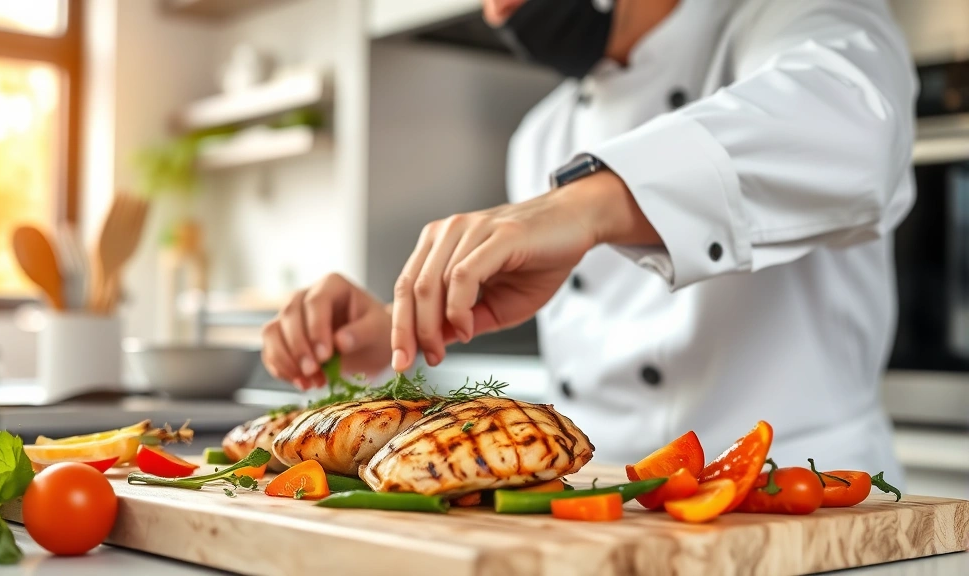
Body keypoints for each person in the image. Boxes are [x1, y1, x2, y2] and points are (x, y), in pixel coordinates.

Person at [261, 0, 917, 482]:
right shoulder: (542, 137)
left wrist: (585, 205)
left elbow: (856, 128)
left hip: (800, 498)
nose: (497, 13)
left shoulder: (804, 18)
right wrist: (392, 325)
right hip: (602, 504)